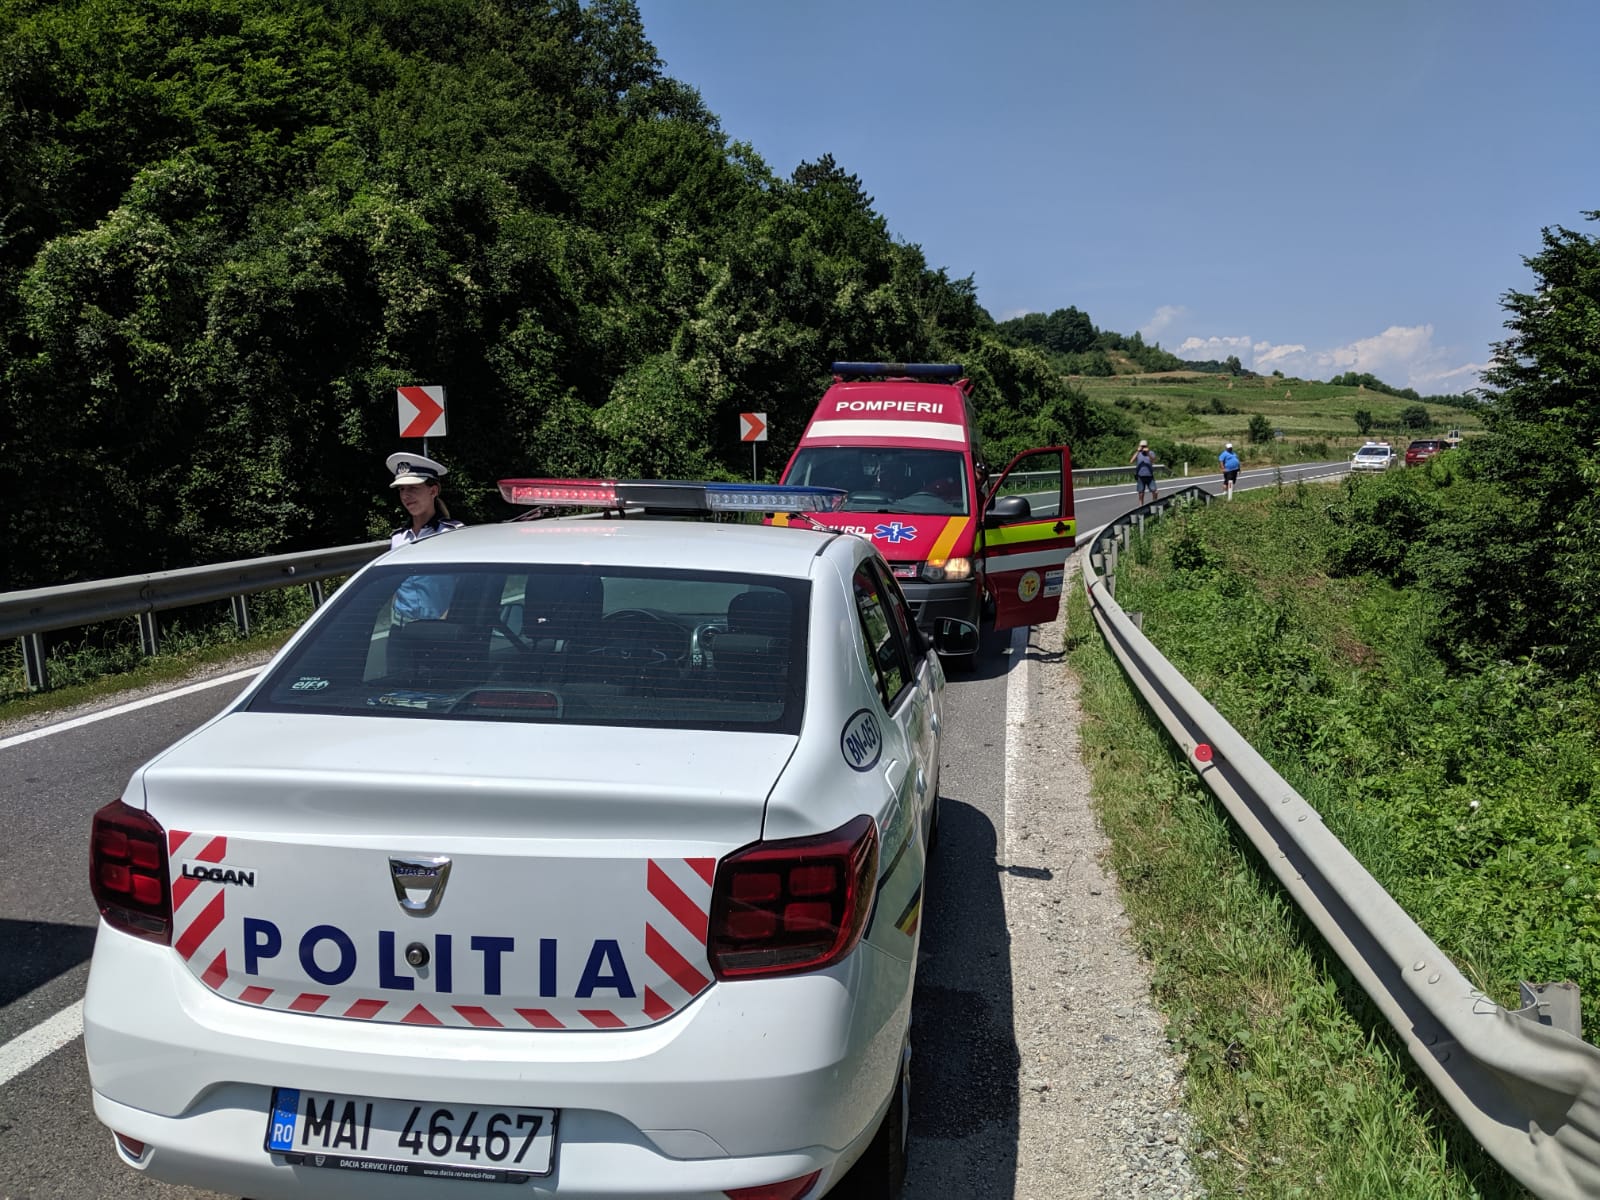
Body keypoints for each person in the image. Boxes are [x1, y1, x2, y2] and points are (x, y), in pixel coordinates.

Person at [386, 452, 463, 621]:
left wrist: (449, 617)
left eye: (413, 488)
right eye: (401, 489)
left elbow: (465, 583)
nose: (405, 496)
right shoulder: (398, 538)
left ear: (433, 491)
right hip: (401, 625)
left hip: (441, 626)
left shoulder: (452, 533)